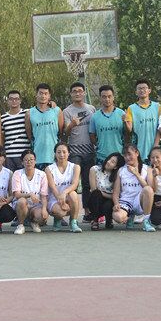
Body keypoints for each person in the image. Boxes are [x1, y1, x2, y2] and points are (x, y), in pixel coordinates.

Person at [63, 82, 96, 221]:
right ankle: (73, 214)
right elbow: (65, 133)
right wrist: (71, 125)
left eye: (80, 91)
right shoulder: (67, 111)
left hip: (89, 150)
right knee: (73, 184)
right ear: (71, 94)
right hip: (74, 151)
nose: (77, 93)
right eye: (74, 91)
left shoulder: (91, 109)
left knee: (88, 183)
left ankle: (87, 212)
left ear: (84, 93)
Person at [112, 144, 156, 232]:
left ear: (137, 153)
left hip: (140, 201)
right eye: (125, 155)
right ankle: (129, 217)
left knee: (148, 189)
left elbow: (150, 189)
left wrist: (136, 174)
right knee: (118, 217)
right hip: (126, 201)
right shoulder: (121, 170)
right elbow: (116, 193)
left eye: (129, 154)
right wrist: (116, 204)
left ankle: (146, 221)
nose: (127, 158)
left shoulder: (147, 169)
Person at [46, 142, 83, 233]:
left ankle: (73, 222)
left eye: (64, 152)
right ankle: (57, 219)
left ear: (68, 153)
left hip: (68, 197)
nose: (61, 155)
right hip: (55, 199)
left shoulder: (75, 167)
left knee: (73, 194)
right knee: (61, 212)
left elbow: (74, 184)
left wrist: (64, 193)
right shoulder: (49, 169)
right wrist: (61, 201)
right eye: (58, 152)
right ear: (55, 154)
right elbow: (53, 188)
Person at [25, 83, 63, 170]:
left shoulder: (57, 111)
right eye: (41, 93)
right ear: (36, 95)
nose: (43, 96)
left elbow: (60, 132)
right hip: (37, 157)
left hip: (54, 157)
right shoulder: (29, 113)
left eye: (46, 93)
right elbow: (29, 134)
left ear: (49, 96)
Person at [11, 149, 49, 234]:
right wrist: (29, 194)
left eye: (31, 159)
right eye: (26, 160)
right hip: (22, 204)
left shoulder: (42, 174)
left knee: (41, 216)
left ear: (35, 161)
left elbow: (44, 195)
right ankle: (20, 224)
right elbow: (16, 194)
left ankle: (33, 222)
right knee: (21, 201)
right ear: (22, 162)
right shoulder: (17, 173)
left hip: (36, 205)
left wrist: (44, 209)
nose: (29, 162)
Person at [124, 78, 161, 163]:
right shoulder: (131, 108)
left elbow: (160, 128)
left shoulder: (157, 107)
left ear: (149, 90)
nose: (142, 90)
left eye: (144, 88)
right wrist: (125, 121)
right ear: (136, 92)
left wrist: (156, 145)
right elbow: (129, 129)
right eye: (139, 88)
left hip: (155, 147)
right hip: (138, 148)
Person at [89, 85, 125, 165]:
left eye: (109, 96)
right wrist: (99, 145)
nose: (107, 99)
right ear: (100, 98)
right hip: (101, 157)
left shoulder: (121, 114)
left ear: (113, 97)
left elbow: (127, 134)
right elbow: (92, 135)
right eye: (104, 97)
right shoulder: (95, 117)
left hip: (119, 156)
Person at [87, 152, 124, 231]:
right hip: (95, 200)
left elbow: (116, 195)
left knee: (109, 203)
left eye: (112, 162)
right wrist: (101, 193)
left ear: (116, 167)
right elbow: (93, 190)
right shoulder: (94, 169)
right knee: (96, 194)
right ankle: (95, 221)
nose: (108, 162)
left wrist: (103, 193)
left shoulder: (116, 176)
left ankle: (109, 220)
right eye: (109, 159)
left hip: (109, 200)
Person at [1, 90, 31, 171]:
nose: (14, 101)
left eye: (16, 99)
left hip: (24, 155)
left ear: (20, 100)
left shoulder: (27, 113)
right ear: (7, 101)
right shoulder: (3, 118)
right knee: (10, 178)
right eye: (11, 99)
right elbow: (2, 138)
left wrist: (51, 103)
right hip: (9, 156)